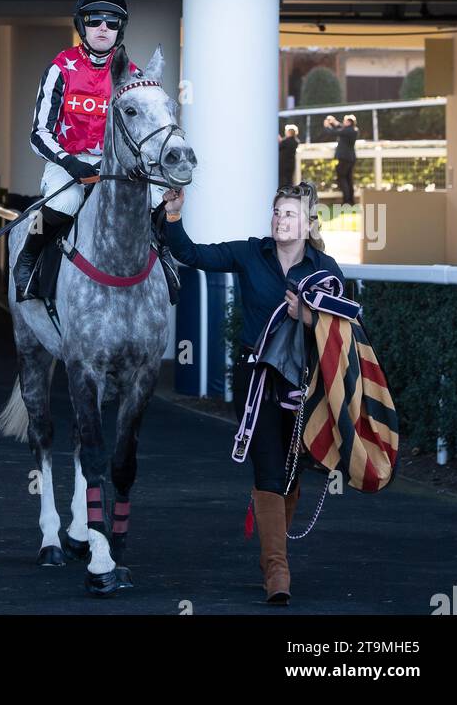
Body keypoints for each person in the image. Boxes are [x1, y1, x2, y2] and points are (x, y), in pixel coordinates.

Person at [159, 180, 345, 604]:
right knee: (267, 468)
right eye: (277, 212)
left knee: (292, 472)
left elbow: (343, 331)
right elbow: (191, 254)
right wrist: (173, 215)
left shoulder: (325, 267)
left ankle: (272, 555)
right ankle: (278, 571)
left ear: (308, 224)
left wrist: (309, 317)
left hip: (303, 381)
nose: (281, 219)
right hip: (257, 377)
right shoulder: (249, 252)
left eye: (290, 214)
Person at [14, 0, 145, 303]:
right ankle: (28, 258)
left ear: (120, 29)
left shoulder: (134, 75)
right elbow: (38, 133)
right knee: (64, 203)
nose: (103, 27)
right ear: (81, 24)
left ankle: (164, 263)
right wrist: (71, 163)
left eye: (112, 22)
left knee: (152, 202)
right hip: (67, 162)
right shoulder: (60, 69)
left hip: (117, 166)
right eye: (94, 19)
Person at [323, 112, 360, 205]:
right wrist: (335, 122)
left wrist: (327, 126)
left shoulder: (347, 131)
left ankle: (346, 201)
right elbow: (341, 128)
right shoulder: (353, 130)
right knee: (349, 179)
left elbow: (334, 132)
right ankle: (351, 201)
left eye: (345, 121)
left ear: (348, 122)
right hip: (351, 158)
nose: (343, 123)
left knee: (342, 178)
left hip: (344, 158)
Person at [278, 124, 300, 189]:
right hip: (291, 164)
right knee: (290, 180)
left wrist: (280, 141)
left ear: (288, 132)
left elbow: (279, 147)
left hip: (283, 164)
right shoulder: (296, 141)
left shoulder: (285, 141)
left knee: (282, 181)